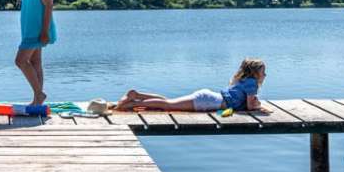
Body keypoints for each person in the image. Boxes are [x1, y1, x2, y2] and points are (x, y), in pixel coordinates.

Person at [113, 58, 267, 113]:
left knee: (168, 102)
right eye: (263, 72)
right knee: (168, 105)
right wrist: (259, 106)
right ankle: (131, 103)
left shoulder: (242, 79)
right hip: (209, 101)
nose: (265, 74)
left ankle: (137, 95)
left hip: (209, 97)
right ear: (255, 73)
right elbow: (250, 106)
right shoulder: (252, 83)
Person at [5, 0, 57, 106]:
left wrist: (44, 31)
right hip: (30, 30)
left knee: (20, 61)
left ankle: (39, 94)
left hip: (38, 31)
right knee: (35, 62)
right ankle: (37, 100)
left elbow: (49, 5)